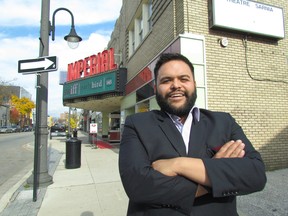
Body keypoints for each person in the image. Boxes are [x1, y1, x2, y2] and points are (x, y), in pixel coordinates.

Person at [119, 53, 266, 216]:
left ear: (194, 84)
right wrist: (213, 174)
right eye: (166, 80)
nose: (176, 85)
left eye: (184, 79)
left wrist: (178, 164)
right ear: (156, 88)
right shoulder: (137, 124)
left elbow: (255, 174)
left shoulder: (223, 122)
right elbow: (138, 185)